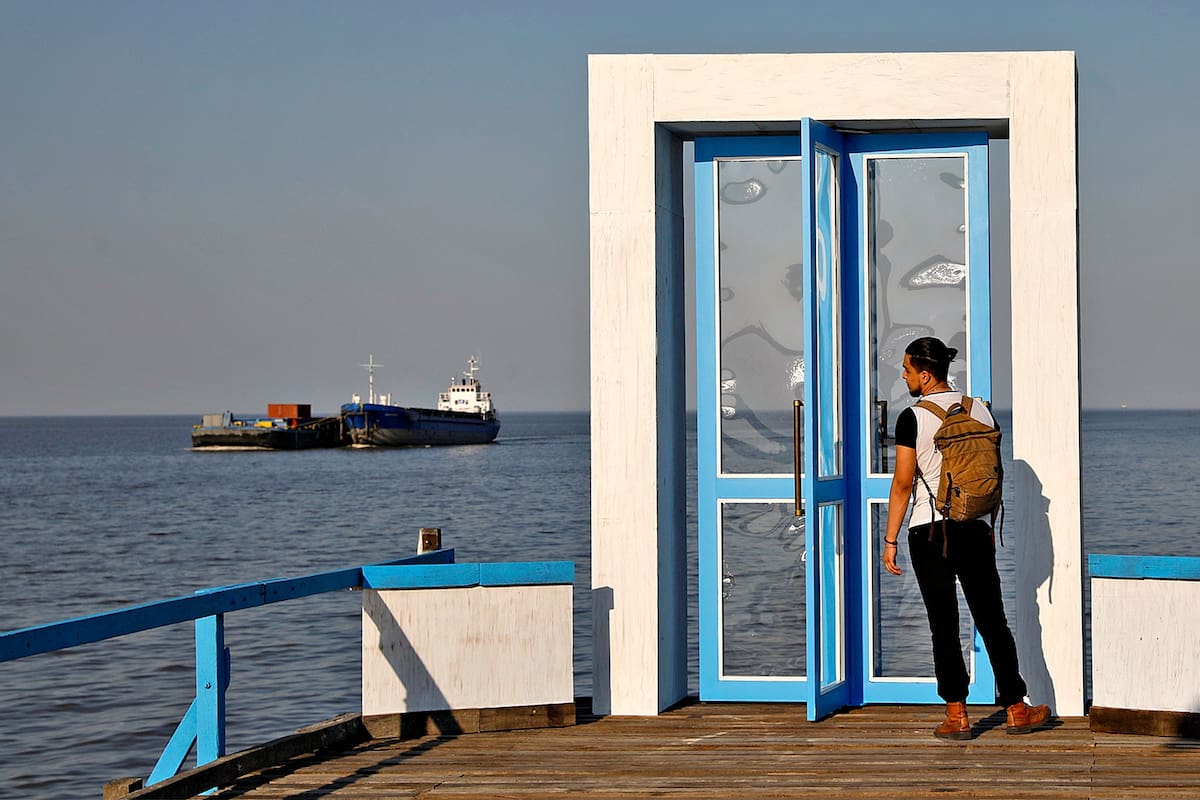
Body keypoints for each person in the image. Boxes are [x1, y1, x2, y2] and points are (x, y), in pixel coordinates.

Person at [882, 336, 1051, 740]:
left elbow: (903, 483)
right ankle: (1015, 707)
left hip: (929, 530)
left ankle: (957, 716)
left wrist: (889, 540)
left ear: (925, 374)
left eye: (906, 370)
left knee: (944, 623)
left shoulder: (913, 417)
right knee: (992, 618)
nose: (903, 376)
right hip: (975, 527)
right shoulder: (982, 411)